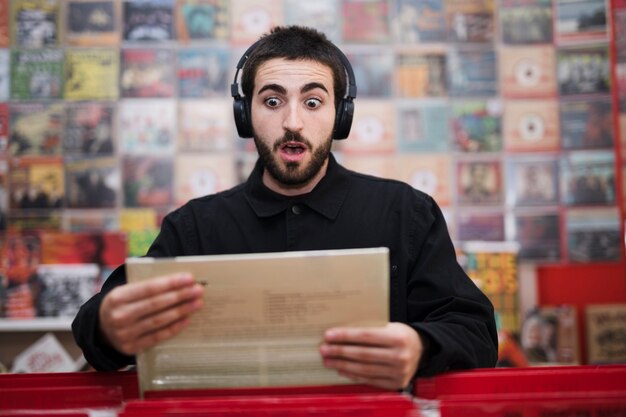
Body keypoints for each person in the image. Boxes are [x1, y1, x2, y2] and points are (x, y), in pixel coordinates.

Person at [72, 25, 497, 390]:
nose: (293, 122)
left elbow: (475, 333)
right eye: (272, 101)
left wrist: (420, 347)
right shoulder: (194, 228)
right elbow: (97, 325)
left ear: (340, 116)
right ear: (245, 114)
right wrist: (110, 327)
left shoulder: (406, 213)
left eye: (313, 102)